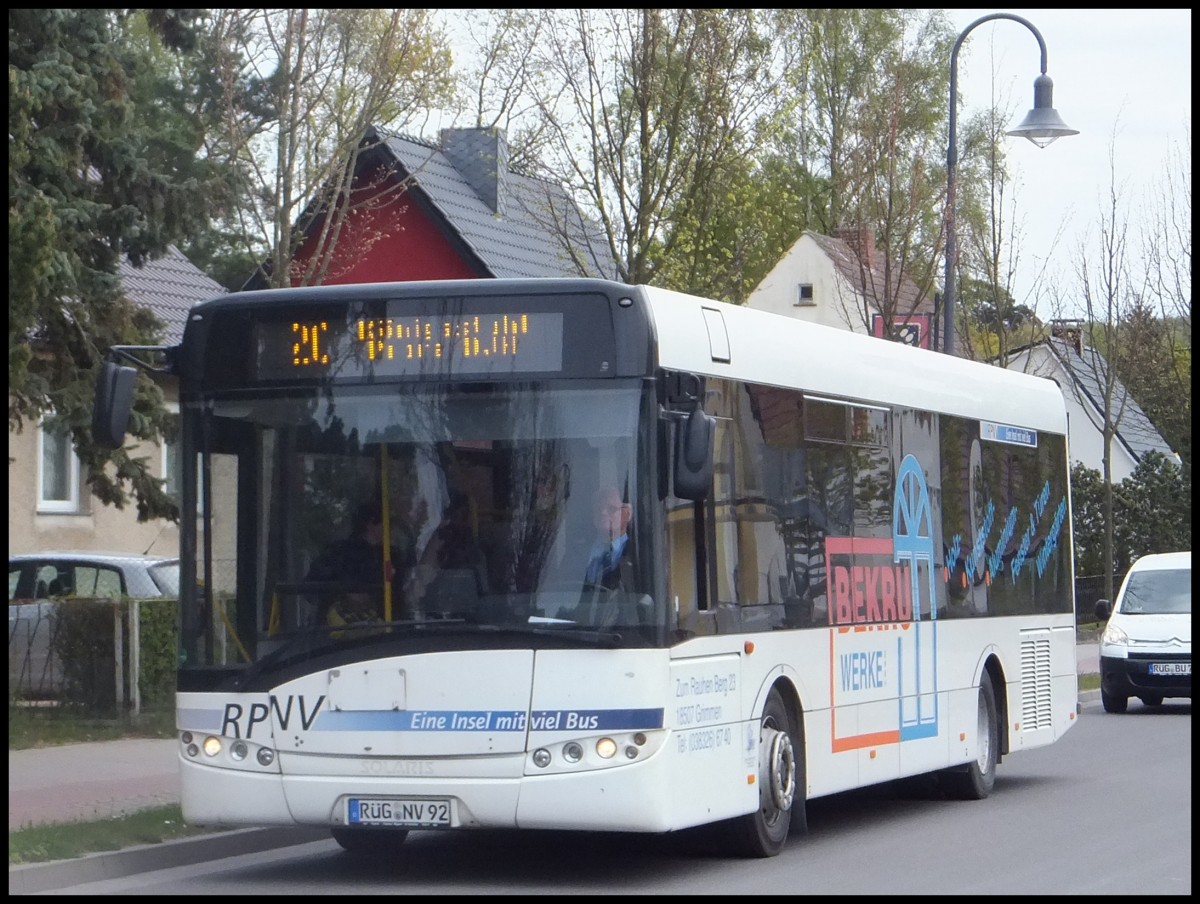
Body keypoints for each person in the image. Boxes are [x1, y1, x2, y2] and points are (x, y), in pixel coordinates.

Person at [305, 502, 412, 627]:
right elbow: (311, 588)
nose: (390, 528)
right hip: (341, 635)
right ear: (370, 524)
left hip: (388, 634)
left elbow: (402, 594)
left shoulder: (393, 555)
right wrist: (346, 594)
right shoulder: (339, 553)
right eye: (386, 522)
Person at [583, 487, 634, 591]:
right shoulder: (574, 553)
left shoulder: (640, 553)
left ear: (627, 514)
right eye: (598, 509)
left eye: (611, 509)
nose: (603, 513)